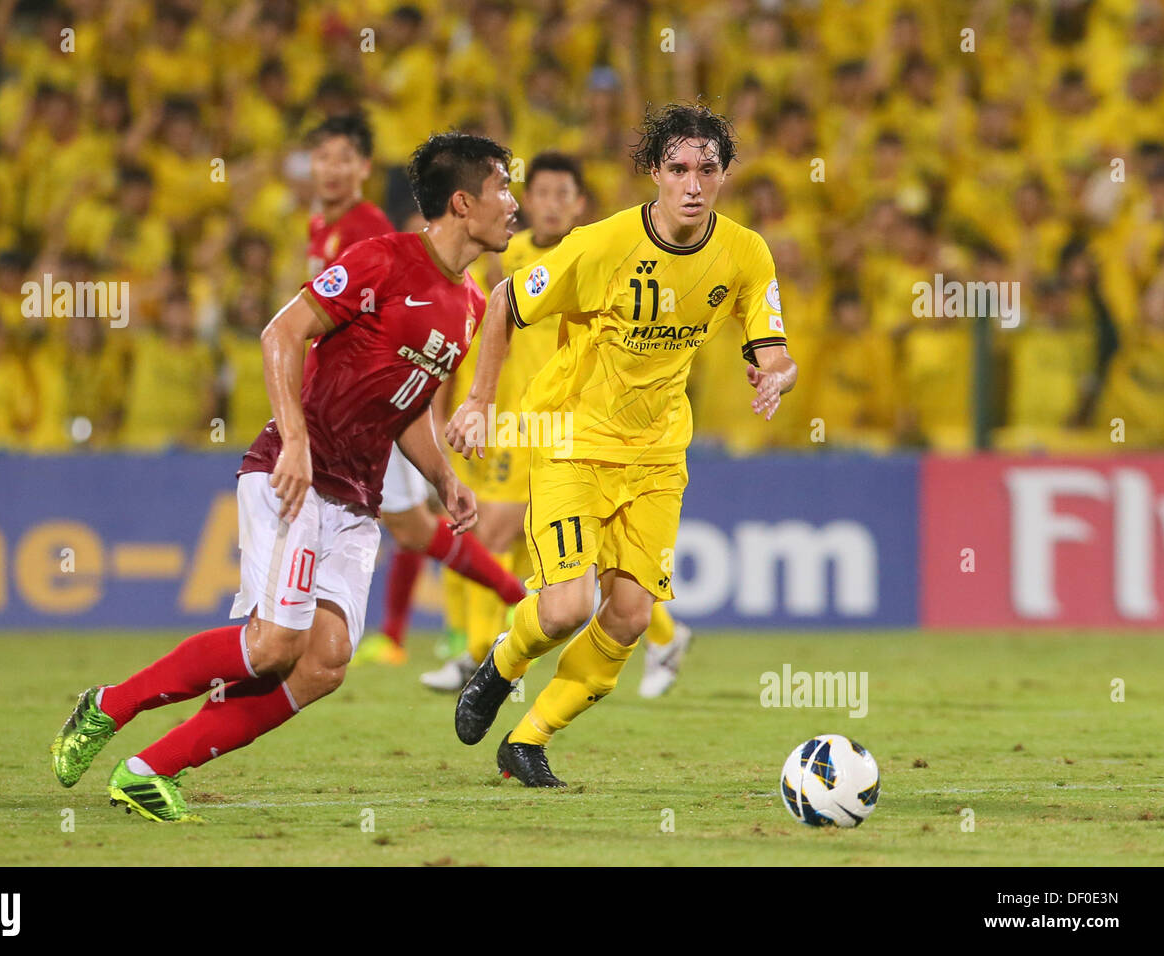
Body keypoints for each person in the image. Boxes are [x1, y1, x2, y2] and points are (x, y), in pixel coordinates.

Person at [50, 132, 518, 822]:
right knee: (274, 645)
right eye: (503, 187)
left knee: (324, 662)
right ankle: (110, 706)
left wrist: (444, 477)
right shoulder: (382, 259)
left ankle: (149, 771)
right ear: (462, 201)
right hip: (294, 474)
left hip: (356, 498)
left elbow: (409, 402)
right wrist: (294, 441)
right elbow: (281, 332)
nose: (512, 203)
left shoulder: (472, 302)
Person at [446, 104, 798, 786]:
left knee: (632, 614)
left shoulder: (747, 253)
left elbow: (776, 351)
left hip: (660, 455)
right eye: (678, 169)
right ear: (655, 175)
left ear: (724, 175)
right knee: (565, 608)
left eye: (707, 169)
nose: (693, 184)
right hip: (573, 439)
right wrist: (481, 401)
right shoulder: (602, 245)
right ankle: (502, 660)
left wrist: (777, 377)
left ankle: (529, 740)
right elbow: (503, 305)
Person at [422, 151, 692, 696]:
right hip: (519, 422)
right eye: (539, 193)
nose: (549, 205)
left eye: (561, 195)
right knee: (509, 538)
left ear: (580, 204)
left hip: (575, 426)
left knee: (536, 542)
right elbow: (487, 316)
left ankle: (485, 654)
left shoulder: (599, 257)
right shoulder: (511, 257)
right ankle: (485, 652)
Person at [303, 114, 527, 667]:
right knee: (409, 526)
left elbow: (416, 332)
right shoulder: (320, 224)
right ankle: (466, 619)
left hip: (379, 405)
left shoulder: (370, 231)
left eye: (343, 158)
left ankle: (498, 608)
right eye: (322, 157)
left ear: (362, 168)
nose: (331, 169)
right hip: (352, 405)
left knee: (410, 525)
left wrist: (442, 405)